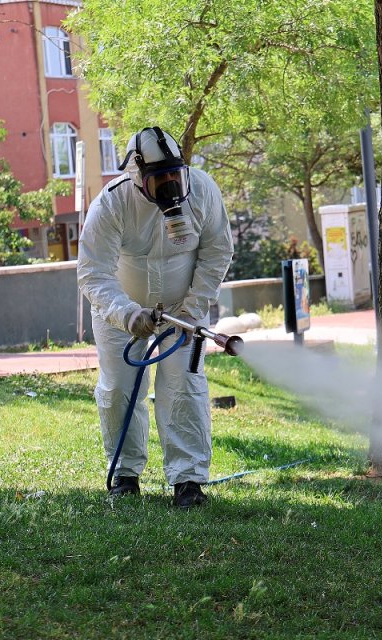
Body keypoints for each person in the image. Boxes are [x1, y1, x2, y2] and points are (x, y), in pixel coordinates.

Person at [77, 126, 234, 508]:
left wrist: (194, 306)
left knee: (184, 386)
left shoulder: (202, 190)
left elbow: (217, 251)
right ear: (137, 177)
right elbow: (93, 272)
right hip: (122, 311)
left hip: (184, 309)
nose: (170, 187)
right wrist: (127, 314)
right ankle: (125, 474)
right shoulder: (112, 203)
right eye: (158, 180)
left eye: (174, 175)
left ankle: (188, 480)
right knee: (119, 388)